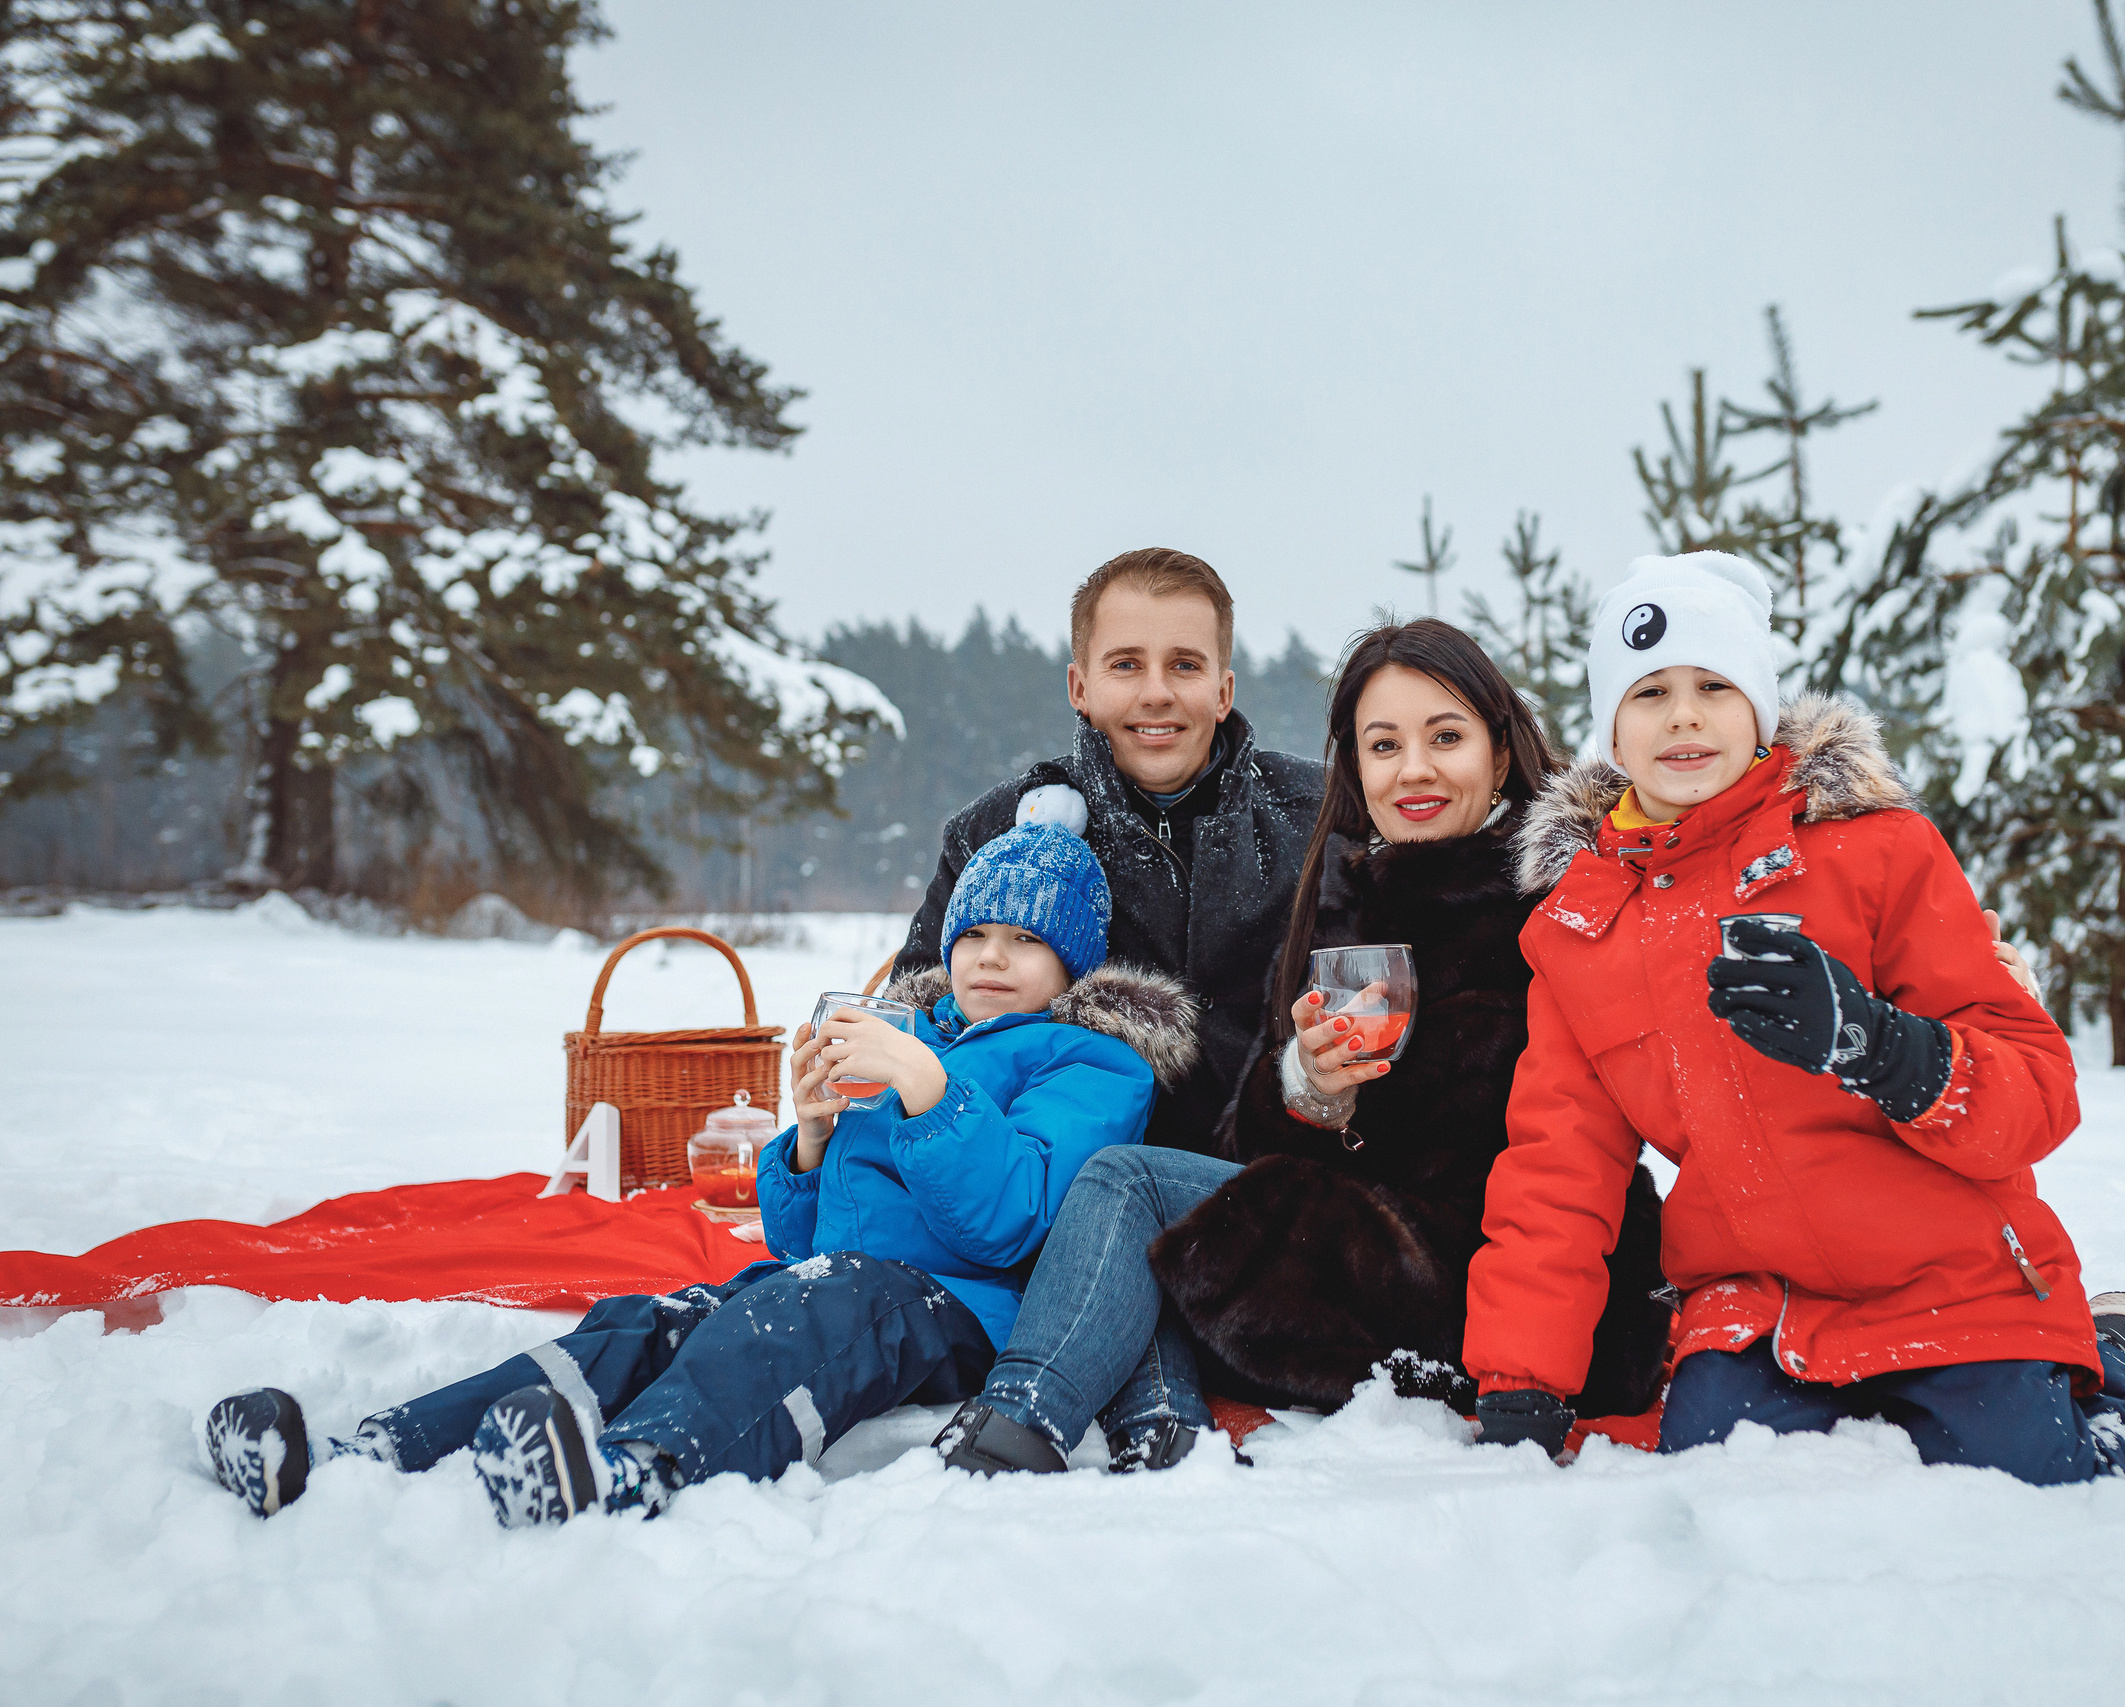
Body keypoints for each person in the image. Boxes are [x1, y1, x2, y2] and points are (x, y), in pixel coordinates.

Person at [1462, 552, 2125, 1484]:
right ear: (1611, 724)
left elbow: (2040, 1090)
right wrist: (1521, 1380)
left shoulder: (1876, 849)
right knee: (1730, 1488)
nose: (1684, 715)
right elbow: (1556, 1168)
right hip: (1758, 1305)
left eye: (1714, 686)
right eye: (1649, 691)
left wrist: (1880, 1045)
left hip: (1951, 1274)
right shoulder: (1579, 930)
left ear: (1761, 706)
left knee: (2036, 1491)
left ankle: (2122, 1369)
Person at [204, 823, 1195, 1523]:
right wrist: (807, 1141)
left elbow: (1012, 1223)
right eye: (975, 933)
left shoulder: (1090, 1062)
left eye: (1027, 941)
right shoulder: (914, 1032)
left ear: (1071, 963)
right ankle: (379, 1451)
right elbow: (805, 1243)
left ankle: (643, 1469)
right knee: (655, 1319)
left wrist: (931, 1091)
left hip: (963, 1314)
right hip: (847, 1290)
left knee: (798, 1316)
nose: (990, 957)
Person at [923, 621, 1671, 1477]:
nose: (1414, 769)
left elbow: (1561, 1141)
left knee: (1131, 1184)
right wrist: (1311, 1086)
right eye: (1384, 744)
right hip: (1383, 1255)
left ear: (1500, 756)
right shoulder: (1345, 902)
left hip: (1512, 1284)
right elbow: (1253, 1144)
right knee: (1155, 1206)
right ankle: (1150, 1414)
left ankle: (1018, 1418)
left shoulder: (1555, 898)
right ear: (1357, 766)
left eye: (1446, 737)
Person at [890, 548, 1323, 1153]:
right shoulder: (996, 834)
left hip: (1273, 1184)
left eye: (1185, 666)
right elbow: (914, 1029)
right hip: (1052, 1195)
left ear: (1223, 691)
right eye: (1125, 664)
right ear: (1080, 686)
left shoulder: (1317, 819)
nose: (1156, 694)